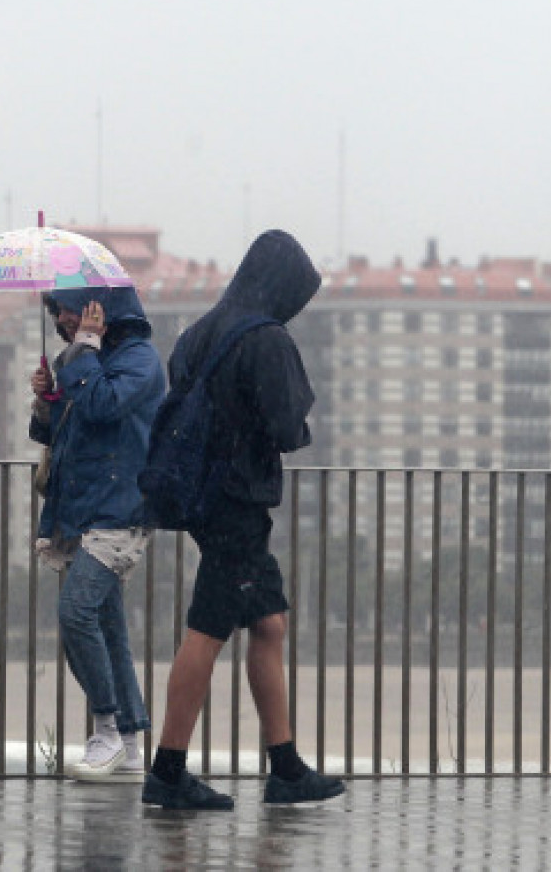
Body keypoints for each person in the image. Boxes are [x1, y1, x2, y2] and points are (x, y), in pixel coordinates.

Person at [142, 229, 345, 810]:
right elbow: (285, 427)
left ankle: (284, 766)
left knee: (269, 622)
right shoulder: (266, 339)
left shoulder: (201, 332)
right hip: (239, 499)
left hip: (204, 497)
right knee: (207, 629)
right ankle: (168, 771)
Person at [30, 285, 166, 781]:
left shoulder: (138, 359)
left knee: (76, 613)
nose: (64, 320)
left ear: (102, 310)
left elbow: (106, 406)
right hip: (85, 509)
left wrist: (82, 354)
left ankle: (105, 730)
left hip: (121, 509)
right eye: (59, 312)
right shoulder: (83, 357)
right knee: (107, 625)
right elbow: (67, 431)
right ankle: (129, 741)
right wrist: (47, 401)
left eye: (71, 310)